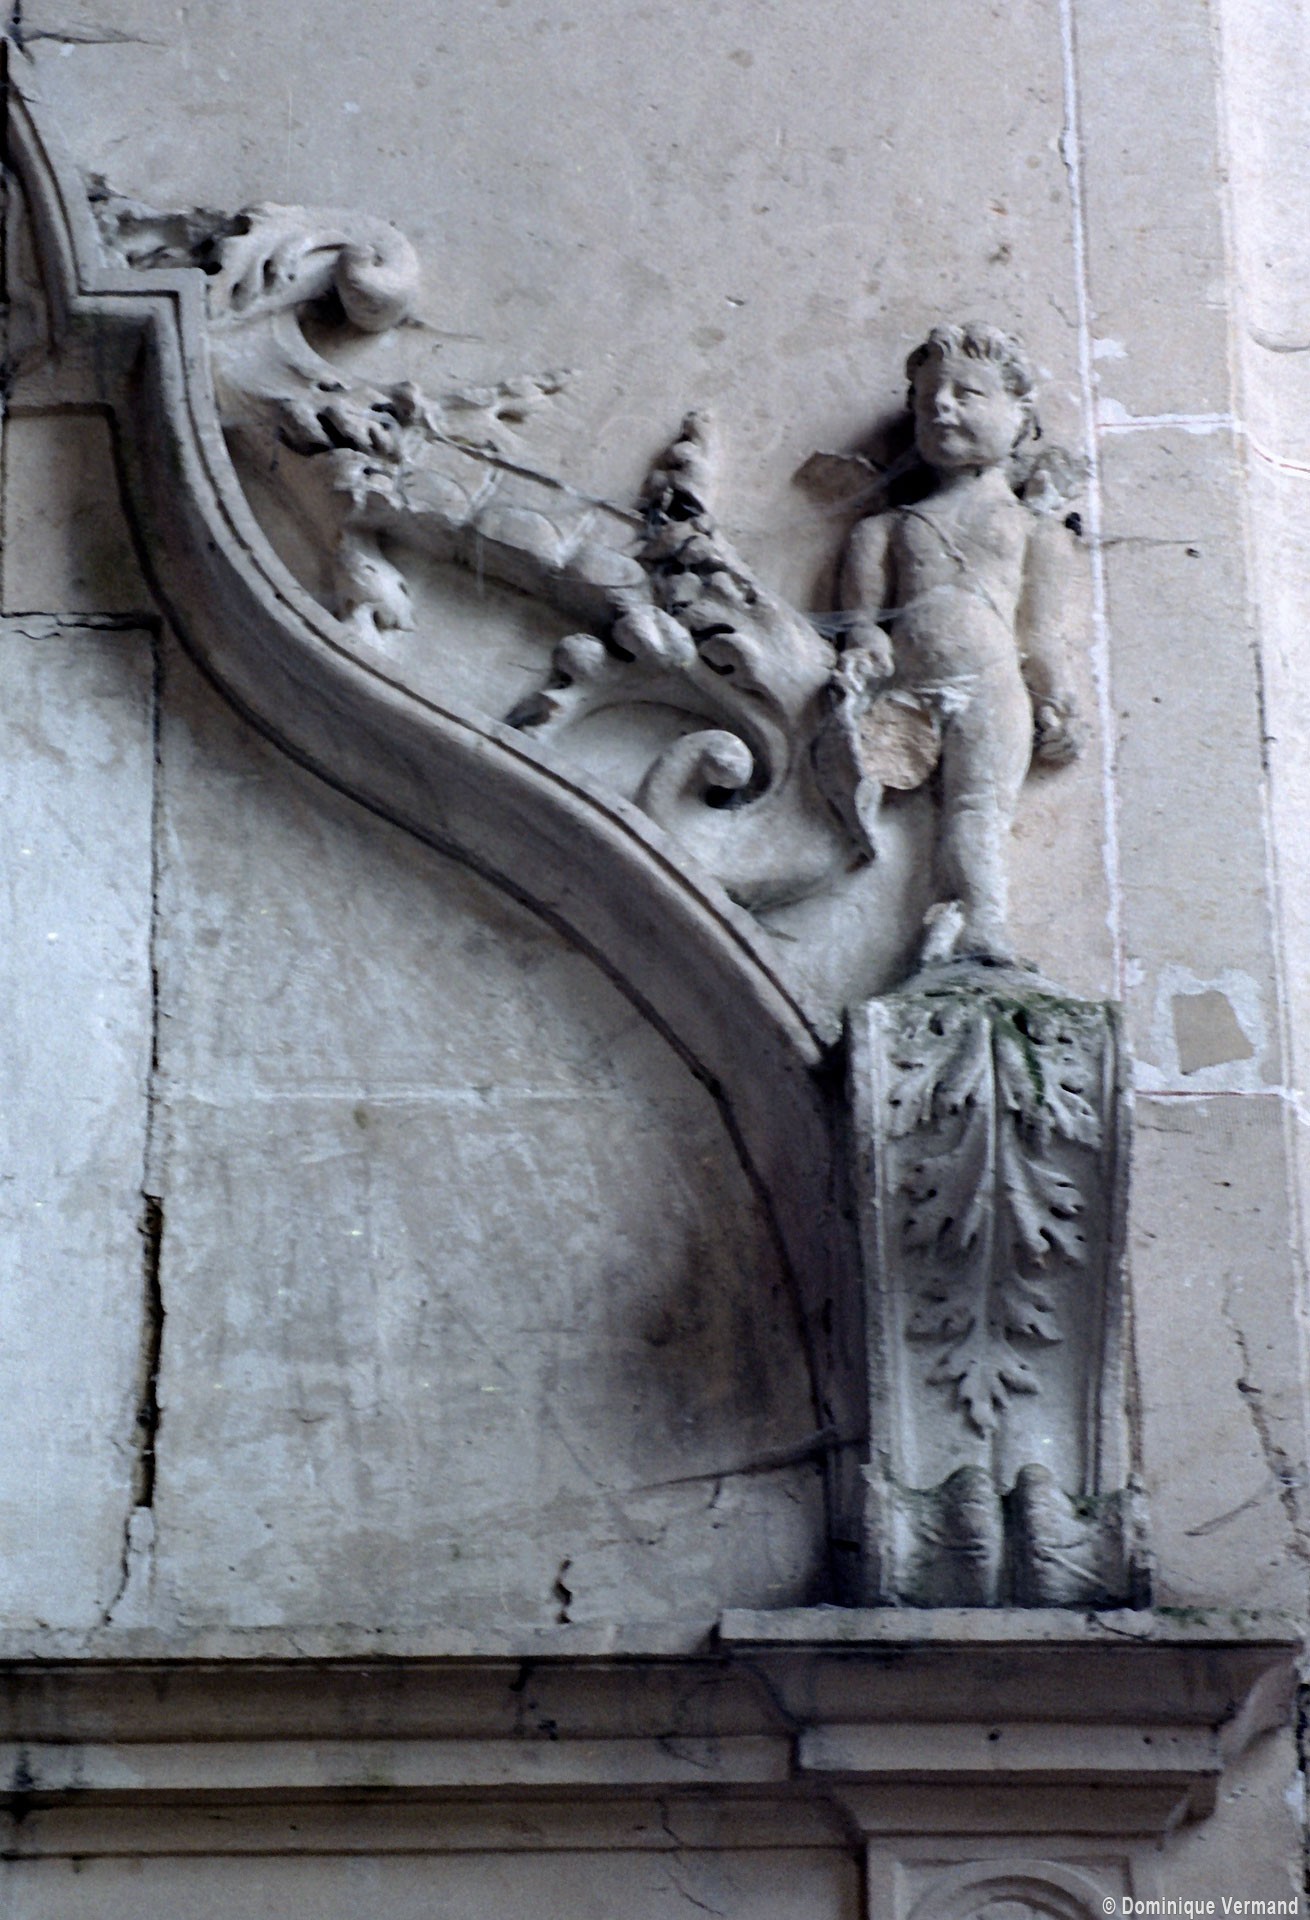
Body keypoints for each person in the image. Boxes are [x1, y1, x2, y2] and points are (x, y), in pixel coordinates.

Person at [836, 322, 1082, 963]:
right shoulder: (884, 530)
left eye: (966, 394)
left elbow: (1040, 635)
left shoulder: (1035, 532)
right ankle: (934, 919)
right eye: (928, 400)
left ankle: (981, 924)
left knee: (977, 809)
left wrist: (1057, 702)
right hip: (905, 694)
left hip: (992, 686)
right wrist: (866, 652)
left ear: (1019, 414)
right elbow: (860, 620)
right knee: (872, 809)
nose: (941, 408)